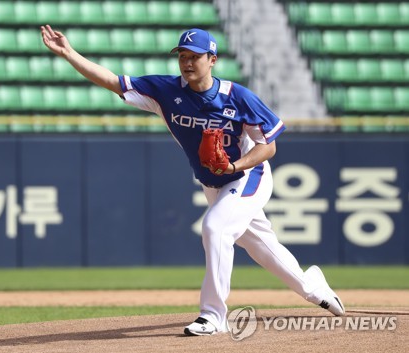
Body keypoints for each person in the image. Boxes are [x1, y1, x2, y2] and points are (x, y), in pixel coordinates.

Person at [40, 25, 345, 336]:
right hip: (213, 183)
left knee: (215, 228)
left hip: (248, 175)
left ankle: (213, 315)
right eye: (182, 56)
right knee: (261, 247)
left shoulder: (238, 97)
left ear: (212, 59)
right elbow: (112, 82)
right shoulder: (166, 92)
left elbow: (270, 146)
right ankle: (314, 287)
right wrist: (69, 53)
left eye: (195, 57)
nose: (187, 62)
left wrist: (235, 165)